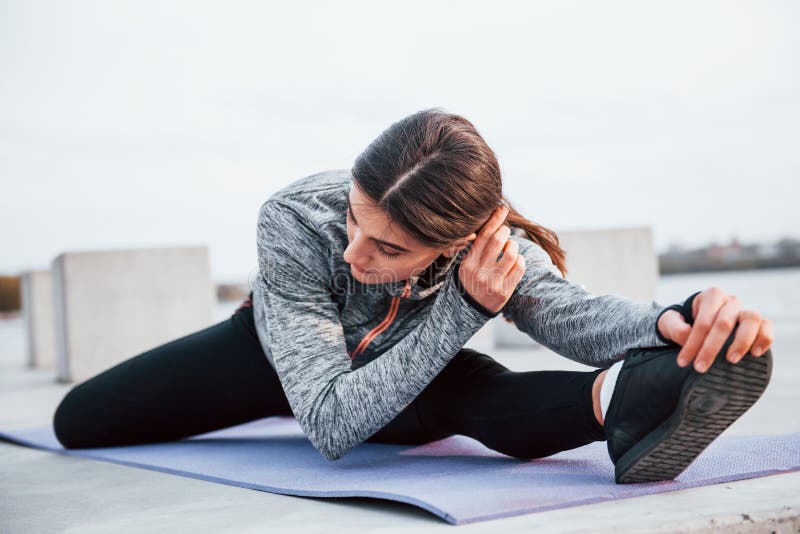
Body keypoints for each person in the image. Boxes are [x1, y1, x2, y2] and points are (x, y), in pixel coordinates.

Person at [52, 107, 774, 484]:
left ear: (455, 242)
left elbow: (570, 314)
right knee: (78, 421)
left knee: (475, 395)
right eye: (354, 221)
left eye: (389, 248)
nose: (352, 253)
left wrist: (678, 322)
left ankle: (630, 397)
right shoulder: (294, 219)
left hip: (404, 371)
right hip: (268, 359)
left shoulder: (489, 247)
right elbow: (332, 425)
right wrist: (462, 308)